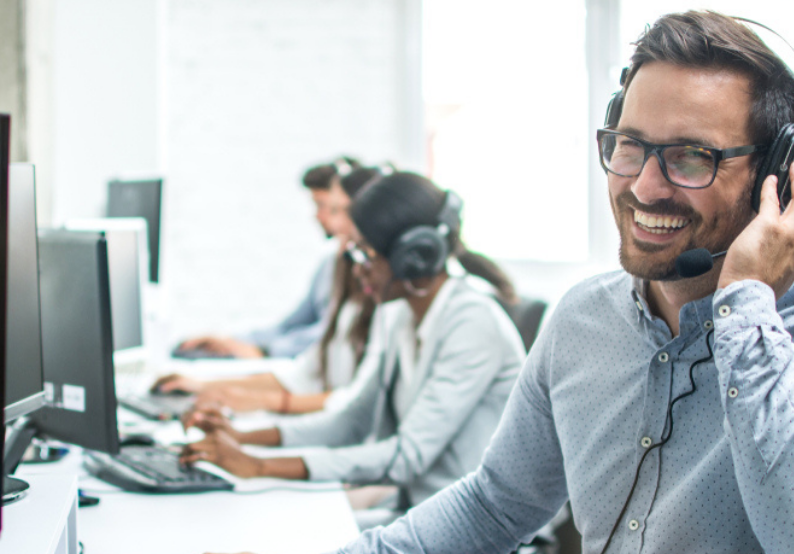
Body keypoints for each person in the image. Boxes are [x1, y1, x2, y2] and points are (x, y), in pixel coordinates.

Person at [167, 12, 794, 554]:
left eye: (691, 157)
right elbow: (497, 502)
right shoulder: (585, 320)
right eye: (629, 147)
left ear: (779, 177)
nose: (645, 185)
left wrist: (748, 307)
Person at [178, 172, 525, 521]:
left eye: (364, 253)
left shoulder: (472, 323)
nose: (355, 269)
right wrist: (242, 438)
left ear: (412, 256)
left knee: (293, 542)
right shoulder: (399, 314)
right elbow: (351, 422)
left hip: (476, 535)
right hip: (423, 514)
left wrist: (258, 465)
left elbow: (406, 457)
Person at [154, 167, 385, 414]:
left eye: (338, 210)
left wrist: (259, 375)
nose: (328, 220)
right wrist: (206, 383)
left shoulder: (382, 304)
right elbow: (302, 367)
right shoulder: (337, 271)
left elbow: (353, 403)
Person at [174, 157, 362, 359]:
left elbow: (335, 334)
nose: (318, 216)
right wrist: (232, 342)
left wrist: (265, 351)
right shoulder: (329, 266)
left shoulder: (366, 270)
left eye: (325, 207)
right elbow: (290, 325)